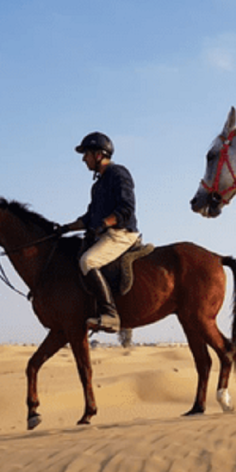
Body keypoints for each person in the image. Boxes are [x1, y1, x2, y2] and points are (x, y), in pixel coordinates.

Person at [58, 132, 140, 333]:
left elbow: (126, 208)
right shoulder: (97, 186)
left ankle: (110, 314)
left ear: (99, 154)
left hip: (121, 234)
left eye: (86, 154)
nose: (83, 159)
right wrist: (66, 228)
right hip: (105, 234)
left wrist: (104, 224)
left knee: (88, 261)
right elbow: (88, 219)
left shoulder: (119, 174)